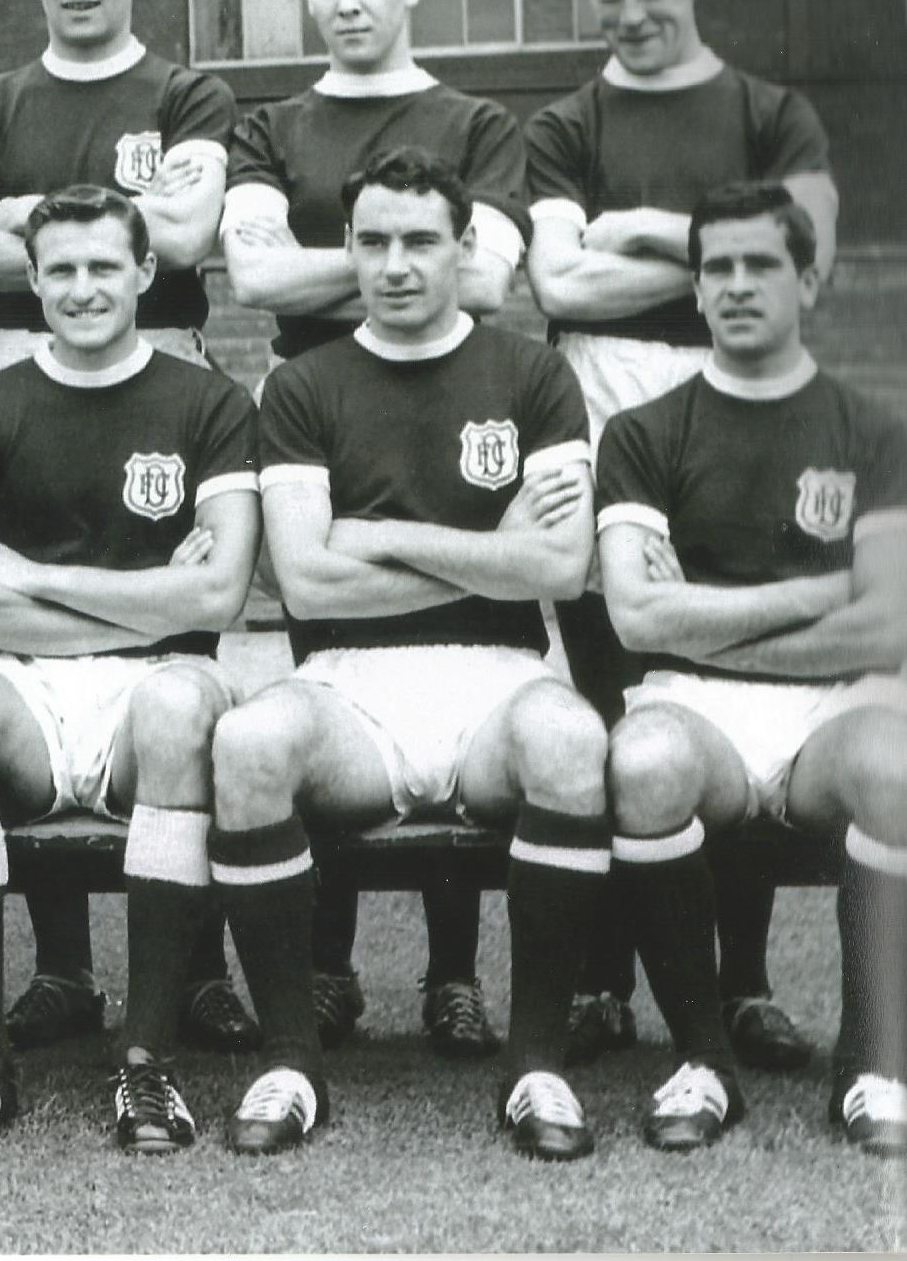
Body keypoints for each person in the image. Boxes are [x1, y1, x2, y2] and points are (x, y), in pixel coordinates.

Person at [211, 147, 607, 1160]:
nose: (394, 263)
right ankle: (290, 1061)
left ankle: (536, 1067)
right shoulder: (302, 384)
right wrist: (493, 547)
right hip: (352, 687)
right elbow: (305, 582)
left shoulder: (530, 371)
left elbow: (559, 568)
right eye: (372, 240)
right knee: (251, 743)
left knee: (570, 740)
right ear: (344, 247)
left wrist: (379, 533)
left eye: (419, 240)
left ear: (463, 247)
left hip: (499, 679)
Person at [0, 0, 250, 1053]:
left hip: (160, 365)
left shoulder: (186, 91)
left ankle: (194, 964)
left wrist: (24, 221)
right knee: (12, 641)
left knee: (174, 656)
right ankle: (61, 966)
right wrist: (87, 225)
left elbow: (182, 240)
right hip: (16, 363)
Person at [525, 0, 838, 1072]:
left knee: (724, 688)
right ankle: (606, 980)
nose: (628, 11)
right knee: (615, 700)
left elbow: (798, 271)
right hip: (609, 411)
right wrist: (710, 242)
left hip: (746, 408)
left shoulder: (767, 110)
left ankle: (742, 984)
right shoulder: (565, 125)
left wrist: (638, 231)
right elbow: (559, 287)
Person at [219, 0, 528, 1056]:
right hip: (319, 413)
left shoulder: (476, 122)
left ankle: (451, 974)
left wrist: (342, 268)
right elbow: (249, 283)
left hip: (454, 401)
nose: (346, 2)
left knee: (464, 648)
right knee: (332, 668)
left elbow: (491, 287)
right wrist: (406, 273)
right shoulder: (273, 127)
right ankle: (327, 967)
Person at [0, 186, 259, 1153]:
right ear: (30, 279)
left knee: (187, 710)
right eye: (59, 268)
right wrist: (146, 590)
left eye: (105, 266)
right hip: (27, 682)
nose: (83, 286)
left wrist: (35, 577)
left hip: (159, 681)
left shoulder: (210, 402)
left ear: (148, 272)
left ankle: (146, 1063)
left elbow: (220, 597)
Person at [593, 183, 907, 1157]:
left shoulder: (874, 432)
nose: (736, 285)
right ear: (694, 289)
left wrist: (707, 620)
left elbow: (886, 625)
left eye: (760, 264)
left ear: (807, 278)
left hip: (837, 707)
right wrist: (819, 595)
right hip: (696, 706)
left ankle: (870, 1065)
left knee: (902, 770)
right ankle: (700, 1059)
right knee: (643, 766)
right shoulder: (644, 432)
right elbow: (637, 616)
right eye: (716, 268)